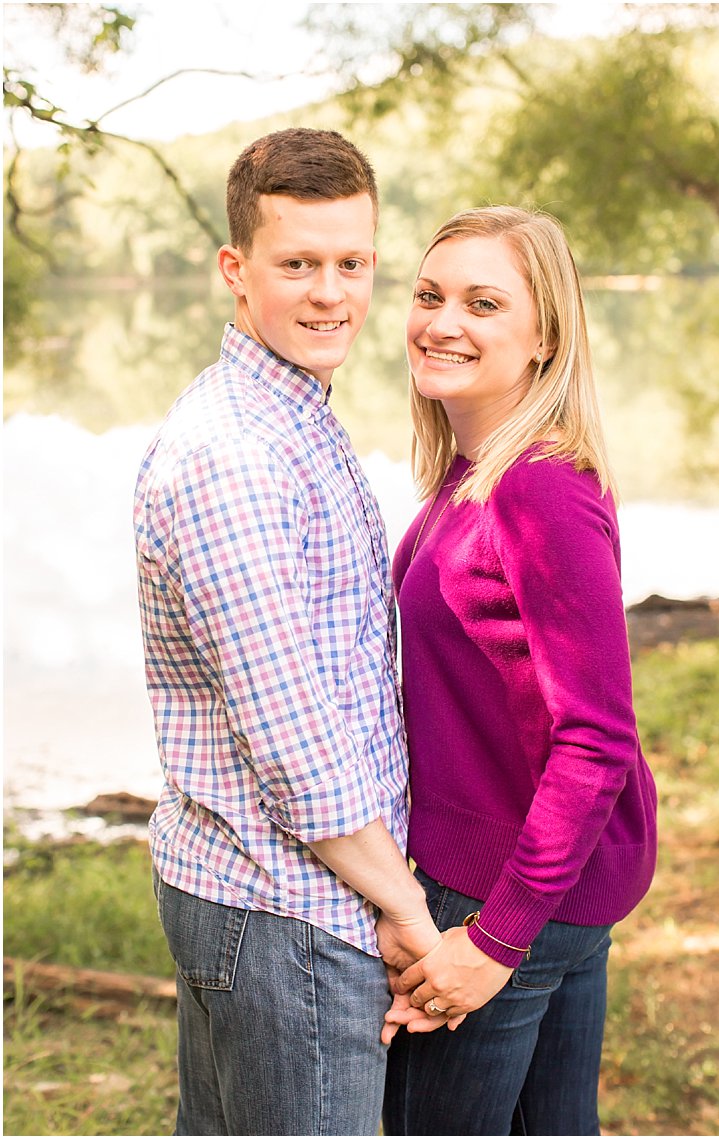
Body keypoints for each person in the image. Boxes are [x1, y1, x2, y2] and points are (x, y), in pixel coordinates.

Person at [133, 128, 443, 1134]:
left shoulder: (292, 415)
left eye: (351, 263)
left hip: (292, 903)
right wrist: (404, 907)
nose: (330, 293)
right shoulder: (234, 457)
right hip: (286, 914)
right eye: (297, 264)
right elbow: (299, 752)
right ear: (236, 268)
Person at [381, 206, 658, 1136]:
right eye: (430, 296)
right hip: (543, 890)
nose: (442, 321)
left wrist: (494, 938)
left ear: (542, 337)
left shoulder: (539, 486)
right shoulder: (471, 479)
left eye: (482, 302)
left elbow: (598, 738)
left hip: (509, 895)